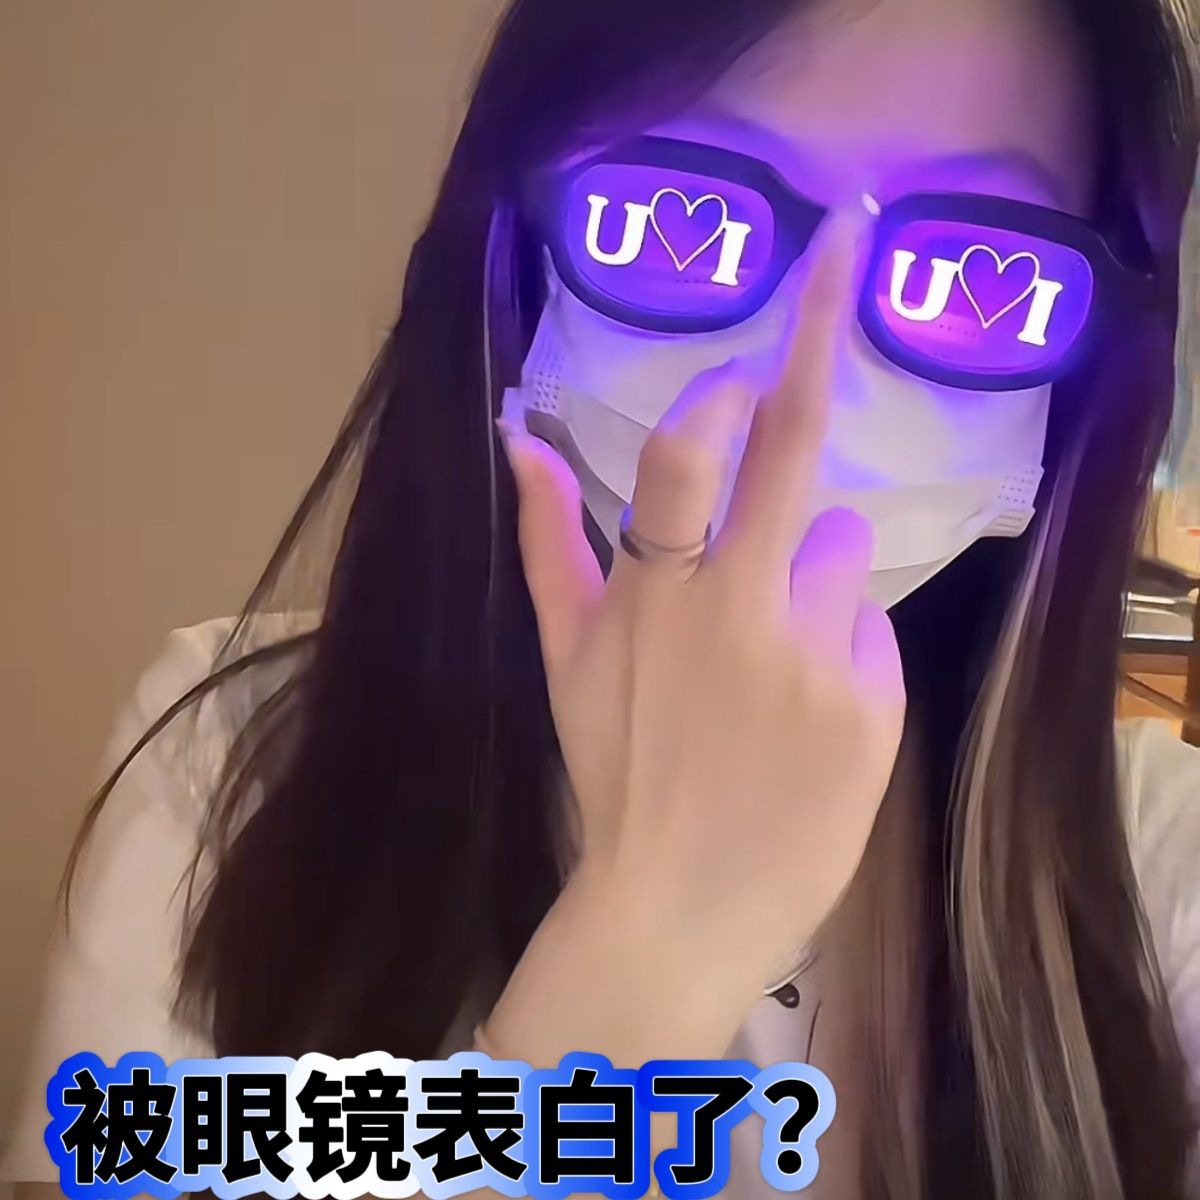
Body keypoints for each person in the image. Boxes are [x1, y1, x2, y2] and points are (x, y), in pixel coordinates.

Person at [5, 0, 1200, 1195]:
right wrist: (653, 937)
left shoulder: (1162, 866)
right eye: (679, 216)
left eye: (977, 274)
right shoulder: (230, 764)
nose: (805, 371)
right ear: (519, 239)